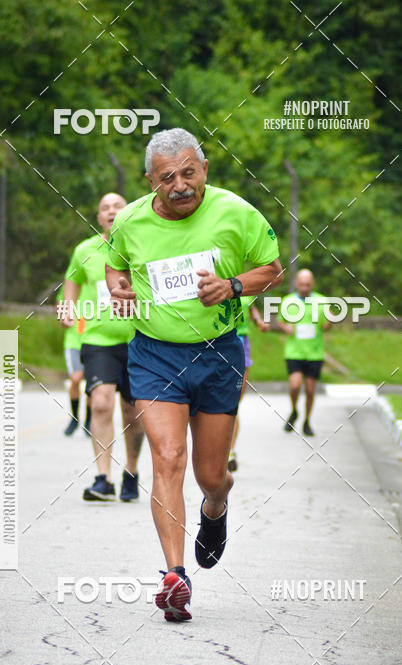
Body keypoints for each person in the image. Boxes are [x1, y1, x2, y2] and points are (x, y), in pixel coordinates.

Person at [105, 127, 283, 622]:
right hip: (155, 355)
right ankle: (175, 576)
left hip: (218, 354)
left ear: (204, 169)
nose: (180, 185)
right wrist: (118, 287)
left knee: (211, 476)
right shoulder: (130, 220)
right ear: (150, 181)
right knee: (167, 457)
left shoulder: (236, 212)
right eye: (168, 178)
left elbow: (272, 269)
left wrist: (232, 286)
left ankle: (215, 509)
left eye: (189, 173)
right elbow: (114, 265)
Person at [62, 192, 144, 502]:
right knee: (100, 403)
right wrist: (68, 308)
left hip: (138, 339)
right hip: (98, 340)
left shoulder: (142, 246)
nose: (111, 211)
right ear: (98, 217)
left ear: (128, 213)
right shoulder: (84, 250)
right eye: (105, 208)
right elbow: (71, 280)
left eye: (117, 206)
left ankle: (131, 472)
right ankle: (103, 478)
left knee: (133, 412)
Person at [277, 268, 331, 437]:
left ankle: (307, 421)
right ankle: (294, 410)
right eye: (302, 284)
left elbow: (326, 327)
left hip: (314, 353)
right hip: (294, 352)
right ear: (296, 284)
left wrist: (331, 321)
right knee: (294, 385)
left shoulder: (321, 301)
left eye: (307, 284)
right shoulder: (288, 301)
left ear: (312, 284)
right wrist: (286, 328)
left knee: (310, 390)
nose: (305, 288)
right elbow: (280, 321)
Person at [228, 297, 269, 472]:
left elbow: (251, 308)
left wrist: (259, 322)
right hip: (216, 343)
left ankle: (229, 452)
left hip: (240, 342)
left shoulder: (244, 289)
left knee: (233, 404)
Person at [59, 283, 90, 436]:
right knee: (76, 378)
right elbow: (61, 311)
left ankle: (89, 420)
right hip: (74, 342)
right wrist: (64, 319)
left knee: (92, 383)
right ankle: (75, 418)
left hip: (93, 340)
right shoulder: (70, 286)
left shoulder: (95, 282)